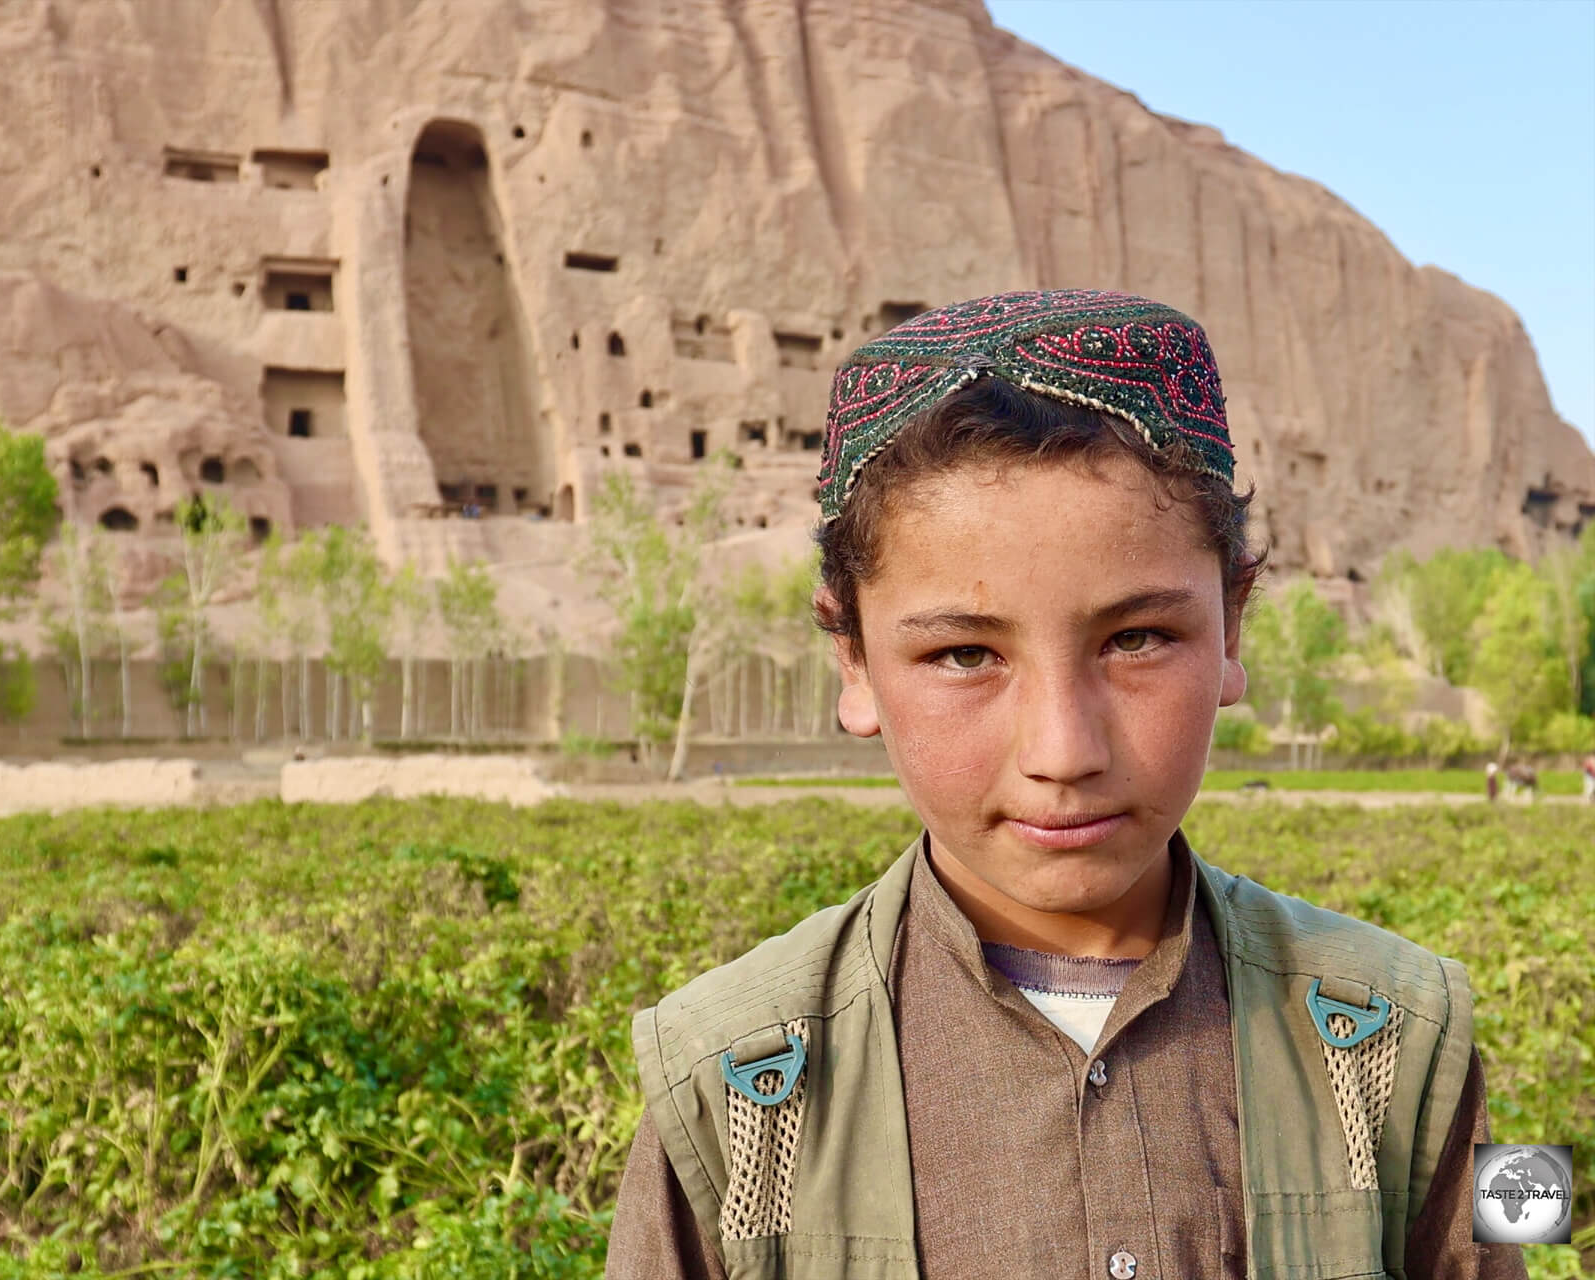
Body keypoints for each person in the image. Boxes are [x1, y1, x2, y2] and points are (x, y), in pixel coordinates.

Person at [605, 291, 1525, 1279]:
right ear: (856, 662)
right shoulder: (724, 1088)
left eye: (1136, 638)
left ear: (1234, 627)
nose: (1062, 749)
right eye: (964, 654)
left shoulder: (1410, 1035)